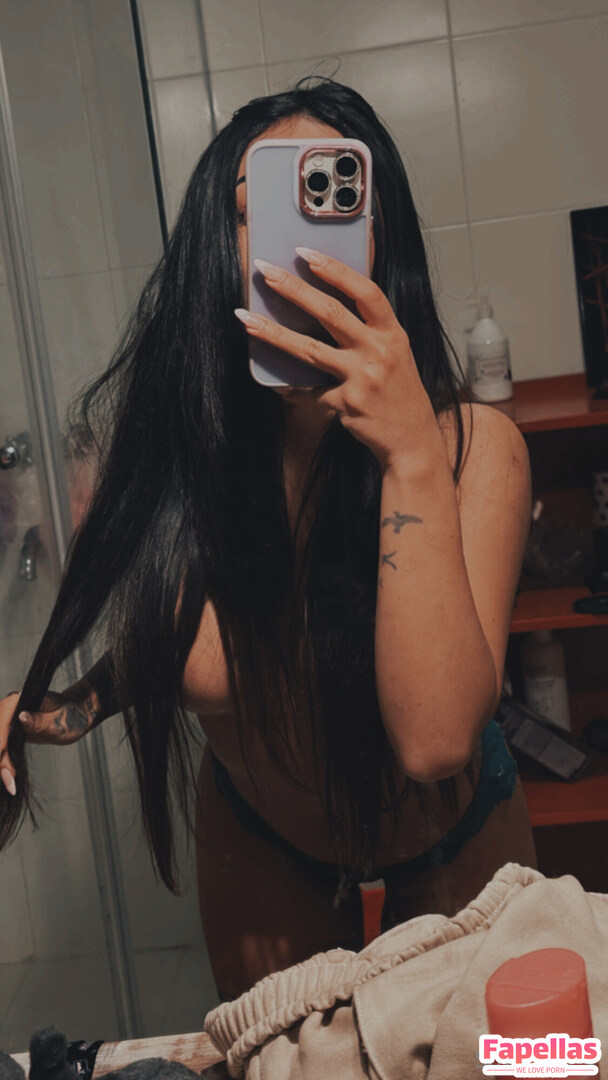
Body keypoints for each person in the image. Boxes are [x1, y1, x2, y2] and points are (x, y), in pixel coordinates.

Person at [0, 78, 537, 1002]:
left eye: (330, 200)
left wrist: (410, 454)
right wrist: (49, 710)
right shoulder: (182, 461)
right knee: (283, 1062)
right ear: (215, 254)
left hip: (448, 828)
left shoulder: (469, 450)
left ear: (380, 240)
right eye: (248, 214)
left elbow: (436, 741)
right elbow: (176, 646)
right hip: (260, 835)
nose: (285, 246)